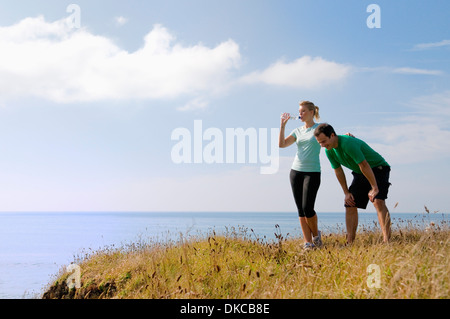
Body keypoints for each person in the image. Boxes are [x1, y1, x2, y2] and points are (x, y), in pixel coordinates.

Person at [314, 123, 392, 243]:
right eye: (320, 143)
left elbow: (364, 165)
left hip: (378, 168)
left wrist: (374, 187)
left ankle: (387, 241)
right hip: (360, 172)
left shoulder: (348, 143)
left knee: (378, 201)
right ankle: (350, 242)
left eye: (324, 141)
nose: (323, 145)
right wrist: (346, 192)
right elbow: (338, 171)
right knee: (350, 203)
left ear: (332, 135)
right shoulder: (329, 151)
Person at [279, 101, 323, 249]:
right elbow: (282, 145)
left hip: (313, 172)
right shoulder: (298, 131)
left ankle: (316, 235)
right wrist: (283, 126)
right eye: (299, 111)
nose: (300, 114)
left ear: (312, 112)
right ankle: (308, 242)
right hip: (296, 172)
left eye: (303, 111)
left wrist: (346, 136)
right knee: (300, 209)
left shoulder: (319, 128)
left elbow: (332, 138)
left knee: (308, 208)